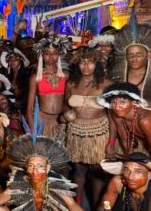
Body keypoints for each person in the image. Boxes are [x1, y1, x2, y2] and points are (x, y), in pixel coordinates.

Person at [0, 109, 83, 211]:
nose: (35, 171)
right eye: (31, 166)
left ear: (47, 168)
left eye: (40, 166)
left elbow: (73, 205)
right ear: (26, 167)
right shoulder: (19, 184)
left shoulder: (55, 185)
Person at [64, 47, 113, 208]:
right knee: (78, 171)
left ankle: (96, 206)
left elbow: (113, 115)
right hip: (76, 131)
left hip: (99, 133)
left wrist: (111, 142)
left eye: (90, 63)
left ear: (97, 64)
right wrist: (65, 115)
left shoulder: (106, 84)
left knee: (97, 173)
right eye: (82, 63)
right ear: (77, 64)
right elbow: (66, 106)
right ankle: (76, 206)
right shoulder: (71, 83)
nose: (86, 67)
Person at [97, 82, 151, 162]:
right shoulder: (119, 117)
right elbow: (125, 139)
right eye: (114, 102)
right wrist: (132, 160)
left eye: (122, 102)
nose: (117, 107)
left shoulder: (144, 120)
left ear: (135, 102)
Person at [26, 35, 71, 138]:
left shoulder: (66, 75)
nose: (51, 57)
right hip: (42, 121)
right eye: (47, 53)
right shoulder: (35, 78)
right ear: (42, 55)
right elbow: (29, 108)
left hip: (62, 121)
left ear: (59, 55)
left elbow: (68, 102)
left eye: (55, 53)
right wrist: (33, 130)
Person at [109, 21, 151, 107]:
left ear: (148, 55)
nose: (134, 58)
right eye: (130, 55)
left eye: (139, 54)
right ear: (125, 56)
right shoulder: (116, 76)